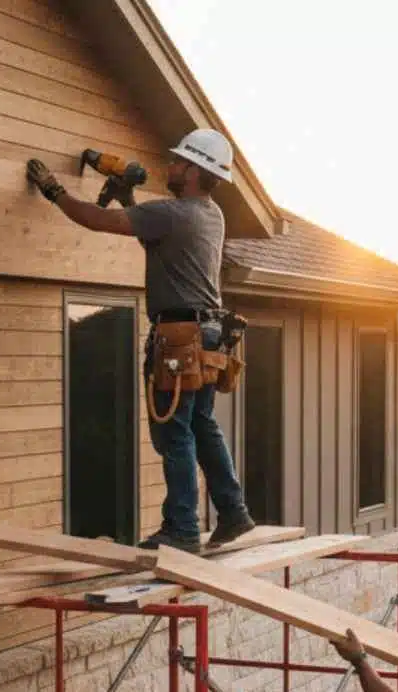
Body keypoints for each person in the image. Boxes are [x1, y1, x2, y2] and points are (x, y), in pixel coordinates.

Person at [26, 129, 255, 553]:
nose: (170, 166)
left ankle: (182, 528)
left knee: (175, 433)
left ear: (193, 171)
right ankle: (233, 511)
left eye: (178, 162)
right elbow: (155, 237)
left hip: (179, 339)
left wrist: (54, 190)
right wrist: (129, 199)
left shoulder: (172, 213)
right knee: (202, 424)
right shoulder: (211, 214)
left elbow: (96, 220)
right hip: (208, 336)